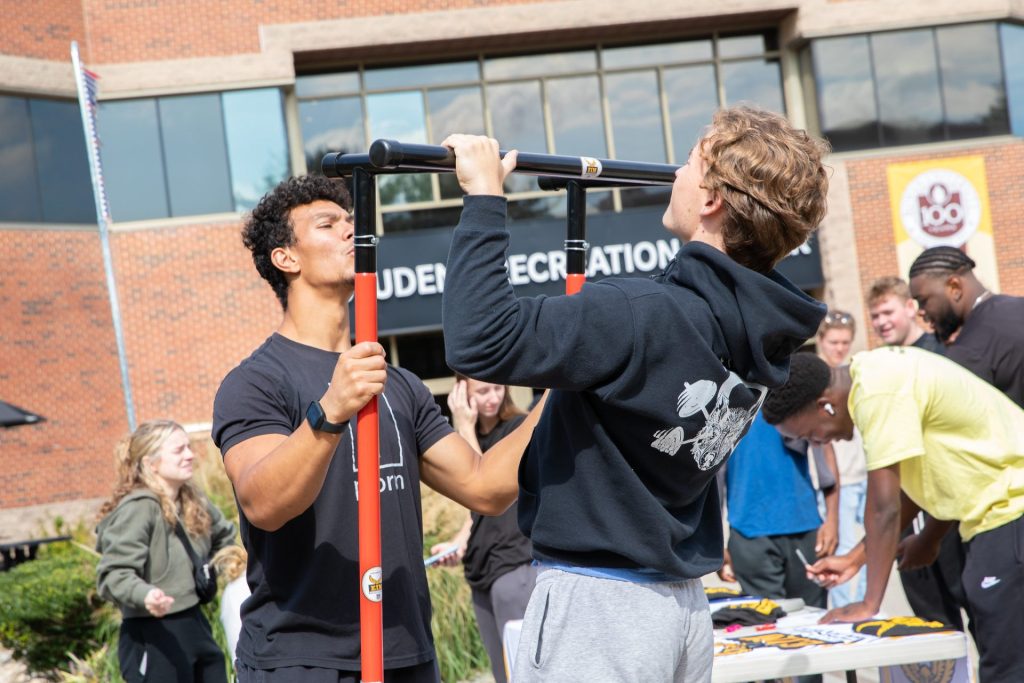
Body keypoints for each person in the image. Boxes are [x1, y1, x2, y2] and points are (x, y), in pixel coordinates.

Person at [440, 105, 830, 682]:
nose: (676, 170)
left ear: (711, 200)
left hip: (599, 607)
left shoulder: (638, 312)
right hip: (679, 608)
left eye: (691, 160)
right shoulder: (755, 335)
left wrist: (484, 200)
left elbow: (478, 342)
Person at [211, 175, 544, 683]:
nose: (351, 231)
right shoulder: (255, 382)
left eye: (352, 221)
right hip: (304, 660)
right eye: (328, 224)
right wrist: (330, 412)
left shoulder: (399, 384)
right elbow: (265, 504)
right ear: (286, 258)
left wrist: (560, 393)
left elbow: (485, 486)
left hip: (405, 649)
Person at [762, 348, 1024, 682]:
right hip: (996, 512)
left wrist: (868, 604)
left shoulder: (877, 392)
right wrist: (859, 558)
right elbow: (925, 477)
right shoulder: (873, 374)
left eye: (809, 435)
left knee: (1005, 664)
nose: (817, 444)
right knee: (999, 648)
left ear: (825, 405)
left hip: (1011, 506)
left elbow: (884, 507)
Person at [96, 420, 238, 683]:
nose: (190, 454)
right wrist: (146, 594)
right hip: (152, 634)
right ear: (152, 463)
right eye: (179, 450)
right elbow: (113, 575)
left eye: (189, 447)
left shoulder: (192, 499)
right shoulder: (139, 508)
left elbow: (225, 538)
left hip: (195, 624)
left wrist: (216, 568)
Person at [866, 276, 969, 632]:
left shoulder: (942, 351)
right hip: (908, 514)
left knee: (979, 613)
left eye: (887, 312)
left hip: (950, 511)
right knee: (932, 623)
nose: (881, 322)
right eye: (875, 316)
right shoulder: (883, 364)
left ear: (910, 308)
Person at [429, 376, 535, 683]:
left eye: (497, 388)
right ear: (461, 391)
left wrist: (463, 427)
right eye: (483, 391)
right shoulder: (469, 436)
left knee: (523, 672)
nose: (492, 397)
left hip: (515, 567)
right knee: (503, 674)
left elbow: (486, 484)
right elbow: (477, 514)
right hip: (482, 572)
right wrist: (458, 544)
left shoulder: (517, 429)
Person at [718, 411, 837, 610]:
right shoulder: (727, 392)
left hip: (805, 528)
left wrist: (833, 520)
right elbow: (714, 474)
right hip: (749, 534)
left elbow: (824, 447)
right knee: (766, 625)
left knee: (812, 620)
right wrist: (716, 543)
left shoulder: (793, 386)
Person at [909, 246, 1024, 408]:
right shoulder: (1019, 306)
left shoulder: (969, 350)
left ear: (954, 287)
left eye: (923, 300)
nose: (920, 311)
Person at [815, 311, 867, 607]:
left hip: (865, 472)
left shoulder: (855, 373)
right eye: (834, 341)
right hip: (839, 480)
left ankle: (864, 605)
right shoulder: (818, 378)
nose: (840, 348)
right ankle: (843, 607)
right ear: (821, 340)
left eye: (845, 342)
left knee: (869, 547)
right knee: (841, 547)